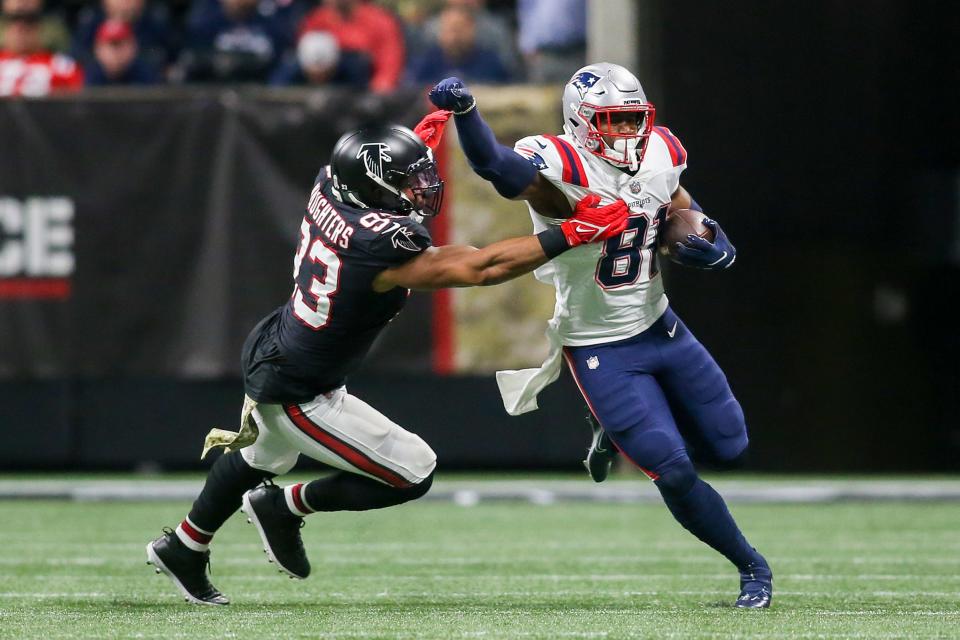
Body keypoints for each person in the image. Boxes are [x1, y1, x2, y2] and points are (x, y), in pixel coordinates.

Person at [145, 121, 629, 605]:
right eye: (406, 181)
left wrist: (418, 139)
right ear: (375, 185)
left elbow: (366, 170)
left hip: (282, 345)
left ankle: (185, 546)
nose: (419, 190)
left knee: (263, 457)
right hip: (299, 390)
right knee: (413, 470)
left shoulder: (331, 185)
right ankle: (285, 505)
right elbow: (480, 267)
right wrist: (574, 231)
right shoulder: (378, 243)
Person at [428, 65, 774, 608]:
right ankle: (752, 566)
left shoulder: (660, 149)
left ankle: (610, 427)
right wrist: (467, 115)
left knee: (732, 443)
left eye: (633, 120)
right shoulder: (560, 165)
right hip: (598, 346)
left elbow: (679, 203)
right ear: (581, 122)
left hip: (662, 326)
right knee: (674, 471)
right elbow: (494, 166)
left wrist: (712, 236)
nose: (625, 132)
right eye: (611, 121)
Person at [298, 0, 404, 94]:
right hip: (321, 88)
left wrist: (377, 92)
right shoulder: (316, 20)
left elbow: (389, 65)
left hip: (361, 90)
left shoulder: (380, 21)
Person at [407, 5, 510, 85]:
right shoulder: (428, 62)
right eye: (449, 30)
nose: (454, 37)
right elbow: (416, 94)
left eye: (459, 29)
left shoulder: (490, 62)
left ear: (472, 29)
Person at [0, 8, 82, 96]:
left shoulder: (60, 65)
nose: (21, 34)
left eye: (27, 29)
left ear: (38, 32)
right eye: (15, 28)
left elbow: (77, 99)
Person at [84, 18, 161, 85]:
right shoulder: (87, 77)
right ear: (97, 48)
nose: (115, 53)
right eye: (110, 45)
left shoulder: (147, 76)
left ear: (133, 46)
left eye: (121, 45)